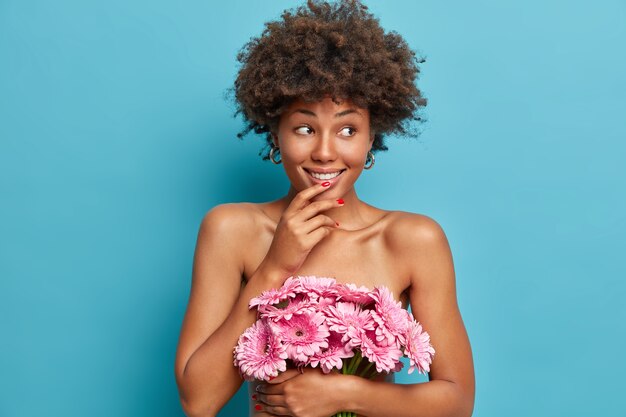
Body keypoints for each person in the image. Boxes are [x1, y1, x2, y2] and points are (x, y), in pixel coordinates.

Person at [174, 1, 475, 416]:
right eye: (304, 128)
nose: (325, 152)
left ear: (372, 137)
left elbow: (457, 403)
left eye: (348, 129)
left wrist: (345, 395)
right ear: (274, 132)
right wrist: (274, 268)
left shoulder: (412, 241)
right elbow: (197, 400)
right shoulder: (232, 230)